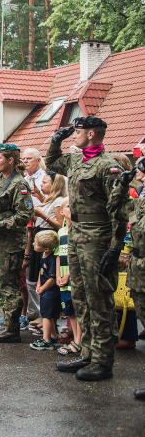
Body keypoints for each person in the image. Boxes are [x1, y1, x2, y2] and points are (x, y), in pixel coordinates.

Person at [48, 116, 128, 381]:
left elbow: (118, 212)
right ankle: (88, 352)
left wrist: (115, 249)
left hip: (98, 238)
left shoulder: (108, 166)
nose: (74, 136)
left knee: (99, 300)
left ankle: (103, 361)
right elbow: (52, 162)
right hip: (77, 234)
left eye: (78, 132)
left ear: (92, 134)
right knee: (81, 297)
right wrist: (55, 140)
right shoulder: (76, 161)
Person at [0, 143, 34, 343]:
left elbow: (24, 215)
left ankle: (12, 329)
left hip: (10, 242)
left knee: (10, 284)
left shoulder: (19, 184)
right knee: (3, 282)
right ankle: (8, 324)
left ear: (11, 160)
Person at [112, 157, 145, 398]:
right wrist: (121, 187)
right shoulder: (139, 203)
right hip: (139, 268)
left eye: (143, 173)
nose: (140, 177)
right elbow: (115, 208)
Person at [21, 147, 48, 324]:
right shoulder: (23, 179)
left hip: (43, 228)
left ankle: (42, 315)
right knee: (28, 276)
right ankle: (31, 312)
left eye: (29, 158)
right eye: (23, 159)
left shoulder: (47, 178)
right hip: (26, 229)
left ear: (38, 160)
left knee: (41, 274)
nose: (25, 161)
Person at [55, 197, 81, 356]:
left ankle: (78, 340)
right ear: (62, 211)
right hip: (63, 278)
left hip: (74, 278)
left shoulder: (77, 232)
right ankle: (76, 338)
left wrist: (68, 275)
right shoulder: (61, 232)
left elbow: (76, 256)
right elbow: (58, 255)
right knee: (69, 310)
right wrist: (59, 274)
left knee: (78, 309)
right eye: (68, 207)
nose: (71, 209)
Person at [30, 230, 62, 350]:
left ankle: (46, 339)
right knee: (48, 314)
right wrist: (39, 284)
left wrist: (42, 288)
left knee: (47, 316)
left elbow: (52, 279)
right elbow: (41, 272)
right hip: (45, 290)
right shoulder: (42, 256)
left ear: (46, 249)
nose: (33, 244)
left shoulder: (52, 259)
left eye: (37, 244)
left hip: (50, 292)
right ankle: (53, 335)